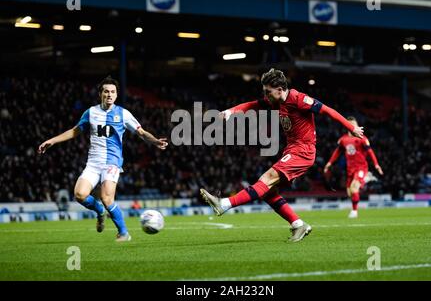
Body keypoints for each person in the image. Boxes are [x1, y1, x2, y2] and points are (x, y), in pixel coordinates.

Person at [200, 68, 364, 243]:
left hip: (303, 151)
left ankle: (224, 204)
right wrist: (231, 111)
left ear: (279, 89)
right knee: (268, 192)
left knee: (267, 178)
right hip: (292, 150)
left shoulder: (298, 99)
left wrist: (351, 127)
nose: (266, 95)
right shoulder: (276, 101)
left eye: (268, 92)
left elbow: (327, 110)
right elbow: (253, 105)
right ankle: (298, 224)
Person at [38, 76, 168, 242]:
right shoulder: (91, 112)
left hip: (112, 162)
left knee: (107, 198)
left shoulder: (123, 114)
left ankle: (123, 233)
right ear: (100, 94)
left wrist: (155, 141)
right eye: (106, 91)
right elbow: (75, 131)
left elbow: (141, 132)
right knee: (79, 194)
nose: (109, 94)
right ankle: (99, 211)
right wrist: (52, 140)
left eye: (113, 92)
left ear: (116, 95)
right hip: (93, 163)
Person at [324, 116, 383, 218]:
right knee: (349, 192)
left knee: (354, 189)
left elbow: (370, 152)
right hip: (350, 169)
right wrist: (329, 163)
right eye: (350, 124)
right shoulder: (343, 140)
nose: (353, 126)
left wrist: (376, 165)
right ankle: (365, 178)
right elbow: (337, 152)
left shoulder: (362, 138)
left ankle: (354, 211)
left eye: (354, 124)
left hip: (361, 167)